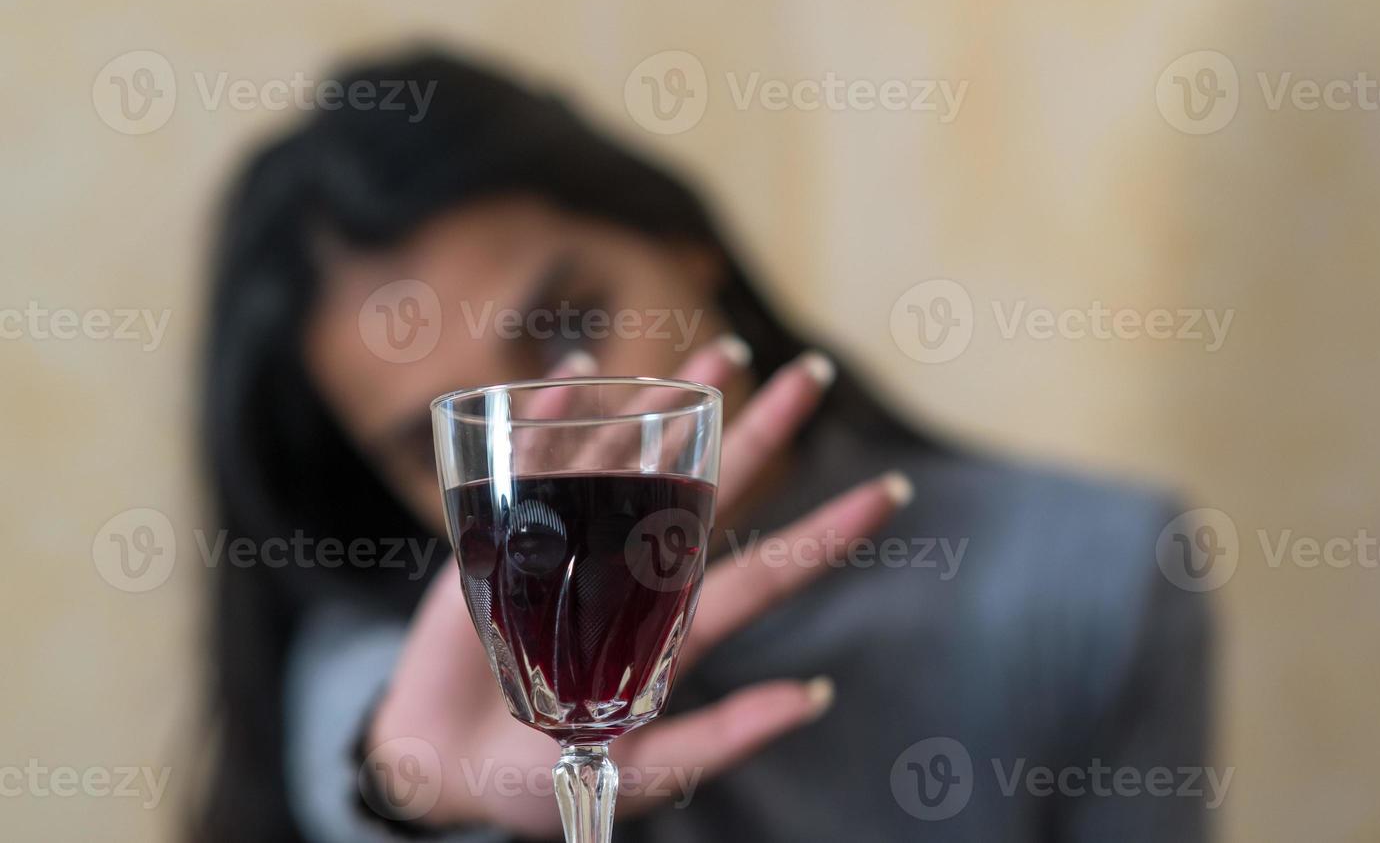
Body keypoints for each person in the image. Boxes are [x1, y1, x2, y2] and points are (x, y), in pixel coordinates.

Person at [195, 48, 1214, 842]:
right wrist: (414, 793)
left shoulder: (1096, 571)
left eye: (568, 324)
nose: (554, 442)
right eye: (447, 439)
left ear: (685, 242)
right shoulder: (357, 665)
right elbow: (369, 755)